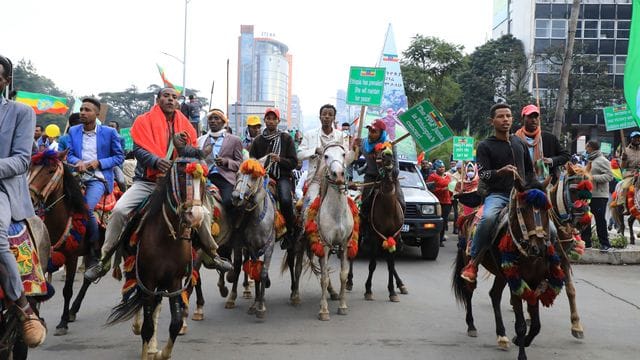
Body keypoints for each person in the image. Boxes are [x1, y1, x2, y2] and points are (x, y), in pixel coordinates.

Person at [84, 88, 232, 282]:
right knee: (119, 211)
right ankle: (104, 259)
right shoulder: (143, 121)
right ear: (158, 99)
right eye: (166, 96)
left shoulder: (185, 124)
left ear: (177, 102)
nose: (170, 99)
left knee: (201, 212)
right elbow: (138, 149)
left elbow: (192, 153)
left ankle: (212, 254)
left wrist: (181, 147)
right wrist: (155, 161)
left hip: (176, 184)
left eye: (174, 97)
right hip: (147, 182)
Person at [0, 54, 47, 347]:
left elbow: (20, 161)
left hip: (3, 188)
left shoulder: (20, 112)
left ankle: (22, 306)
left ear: (5, 82)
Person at [460, 103, 535, 283]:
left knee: (549, 221)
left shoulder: (520, 143)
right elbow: (483, 173)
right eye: (501, 116)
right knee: (488, 219)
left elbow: (530, 172)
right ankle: (474, 262)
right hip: (498, 195)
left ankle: (551, 260)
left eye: (508, 116)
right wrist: (501, 172)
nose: (506, 120)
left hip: (522, 194)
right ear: (491, 121)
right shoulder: (485, 145)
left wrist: (536, 187)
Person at [67, 98, 124, 265]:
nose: (83, 112)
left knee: (86, 209)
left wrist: (98, 163)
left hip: (98, 178)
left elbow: (119, 157)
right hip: (75, 176)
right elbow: (69, 154)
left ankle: (94, 247)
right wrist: (77, 162)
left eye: (87, 110)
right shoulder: (73, 131)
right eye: (82, 109)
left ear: (97, 114)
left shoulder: (109, 132)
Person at [249, 107, 298, 249]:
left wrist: (280, 160)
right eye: (268, 118)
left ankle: (289, 232)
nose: (270, 121)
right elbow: (252, 160)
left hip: (282, 176)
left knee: (285, 199)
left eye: (273, 119)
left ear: (278, 121)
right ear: (264, 120)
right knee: (247, 197)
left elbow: (294, 162)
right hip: (262, 176)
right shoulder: (258, 140)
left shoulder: (286, 138)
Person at [353, 119, 405, 243]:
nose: (370, 133)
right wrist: (353, 147)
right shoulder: (363, 143)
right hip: (370, 177)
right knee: (364, 204)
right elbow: (352, 159)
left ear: (381, 133)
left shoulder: (390, 145)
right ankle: (364, 231)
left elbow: (396, 169)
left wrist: (385, 162)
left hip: (388, 178)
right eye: (369, 130)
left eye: (374, 131)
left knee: (402, 202)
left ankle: (399, 234)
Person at [297, 104, 354, 213]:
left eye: (330, 115)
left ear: (334, 118)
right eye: (324, 114)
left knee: (350, 207)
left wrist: (355, 149)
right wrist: (314, 150)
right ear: (320, 117)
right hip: (316, 180)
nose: (327, 117)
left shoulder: (342, 136)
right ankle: (304, 228)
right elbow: (299, 154)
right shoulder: (310, 135)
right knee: (309, 207)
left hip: (336, 180)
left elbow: (347, 160)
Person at [196, 109, 243, 211]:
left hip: (225, 178)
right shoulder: (201, 140)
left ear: (223, 121)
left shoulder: (235, 140)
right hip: (205, 177)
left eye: (216, 118)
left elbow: (240, 164)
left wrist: (226, 162)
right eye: (210, 119)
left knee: (229, 202)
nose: (213, 121)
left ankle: (233, 225)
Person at [514, 104, 570, 182]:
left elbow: (566, 156)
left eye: (536, 117)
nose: (533, 120)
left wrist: (551, 160)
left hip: (546, 184)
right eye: (530, 117)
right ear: (523, 119)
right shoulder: (515, 139)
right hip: (522, 183)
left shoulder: (549, 138)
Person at [580, 140, 613, 251]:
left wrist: (593, 178)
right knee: (586, 219)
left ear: (592, 148)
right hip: (588, 195)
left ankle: (605, 244)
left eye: (587, 148)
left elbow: (609, 176)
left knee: (600, 220)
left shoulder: (602, 160)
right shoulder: (589, 160)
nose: (586, 150)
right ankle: (586, 242)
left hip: (599, 195)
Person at [428, 160, 451, 247]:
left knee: (444, 221)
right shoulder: (432, 177)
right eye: (440, 167)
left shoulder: (448, 177)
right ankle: (433, 239)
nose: (442, 169)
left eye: (443, 167)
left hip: (447, 202)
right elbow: (430, 189)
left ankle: (440, 240)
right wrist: (442, 190)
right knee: (435, 222)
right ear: (436, 168)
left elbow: (451, 187)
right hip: (437, 202)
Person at [617, 131, 640, 211]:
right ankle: (623, 205)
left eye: (638, 138)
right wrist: (623, 159)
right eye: (635, 138)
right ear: (631, 139)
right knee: (625, 186)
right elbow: (622, 166)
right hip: (630, 173)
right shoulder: (626, 151)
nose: (637, 139)